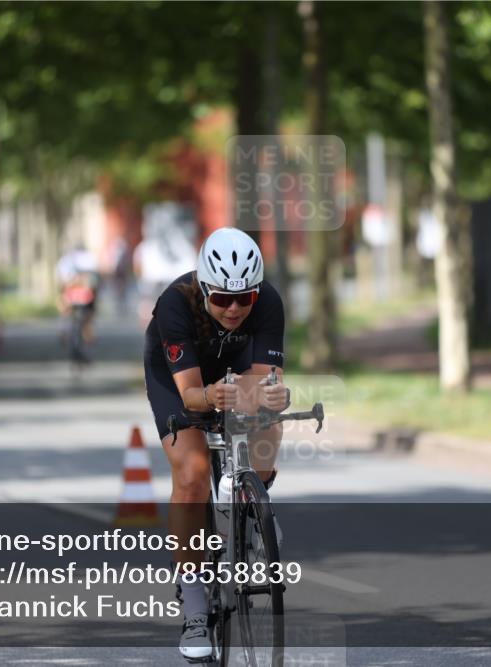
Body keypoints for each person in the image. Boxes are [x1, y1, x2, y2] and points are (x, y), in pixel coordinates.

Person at [142, 228, 289, 661]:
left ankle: (252, 506)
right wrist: (211, 396)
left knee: (267, 412)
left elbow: (264, 378)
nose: (234, 307)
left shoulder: (270, 302)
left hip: (235, 368)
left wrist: (269, 396)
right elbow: (190, 394)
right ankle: (192, 607)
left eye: (245, 299)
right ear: (204, 288)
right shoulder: (174, 304)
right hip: (181, 379)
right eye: (222, 298)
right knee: (192, 472)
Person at [56, 245, 100, 362]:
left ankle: (63, 329)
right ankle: (89, 346)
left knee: (65, 310)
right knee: (88, 321)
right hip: (87, 296)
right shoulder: (90, 259)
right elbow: (95, 282)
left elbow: (61, 282)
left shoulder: (65, 261)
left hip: (70, 296)